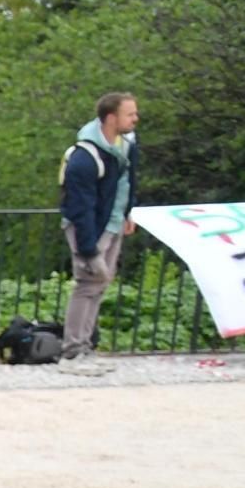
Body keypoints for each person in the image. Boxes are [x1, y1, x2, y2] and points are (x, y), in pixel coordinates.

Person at [59, 89, 140, 359]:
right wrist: (88, 248)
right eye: (129, 114)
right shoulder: (85, 157)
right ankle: (73, 348)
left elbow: (128, 183)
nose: (135, 119)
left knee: (99, 285)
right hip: (91, 226)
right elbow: (80, 208)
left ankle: (85, 345)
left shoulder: (125, 146)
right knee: (88, 282)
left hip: (113, 222)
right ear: (111, 118)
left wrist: (126, 214)